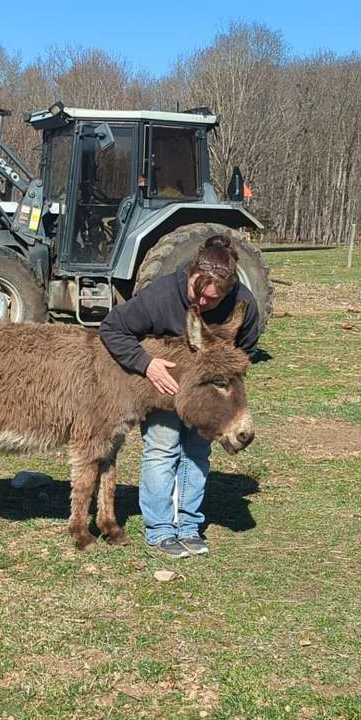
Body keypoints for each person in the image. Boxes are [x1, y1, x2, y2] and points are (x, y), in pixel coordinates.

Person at [99, 234, 259, 558]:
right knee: (163, 447)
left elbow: (245, 349)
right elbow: (112, 328)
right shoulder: (160, 295)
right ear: (191, 274)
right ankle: (159, 529)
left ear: (227, 293)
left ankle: (188, 526)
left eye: (212, 301)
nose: (201, 304)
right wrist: (146, 364)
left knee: (197, 453)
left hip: (205, 394)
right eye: (197, 294)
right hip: (164, 386)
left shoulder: (244, 303)